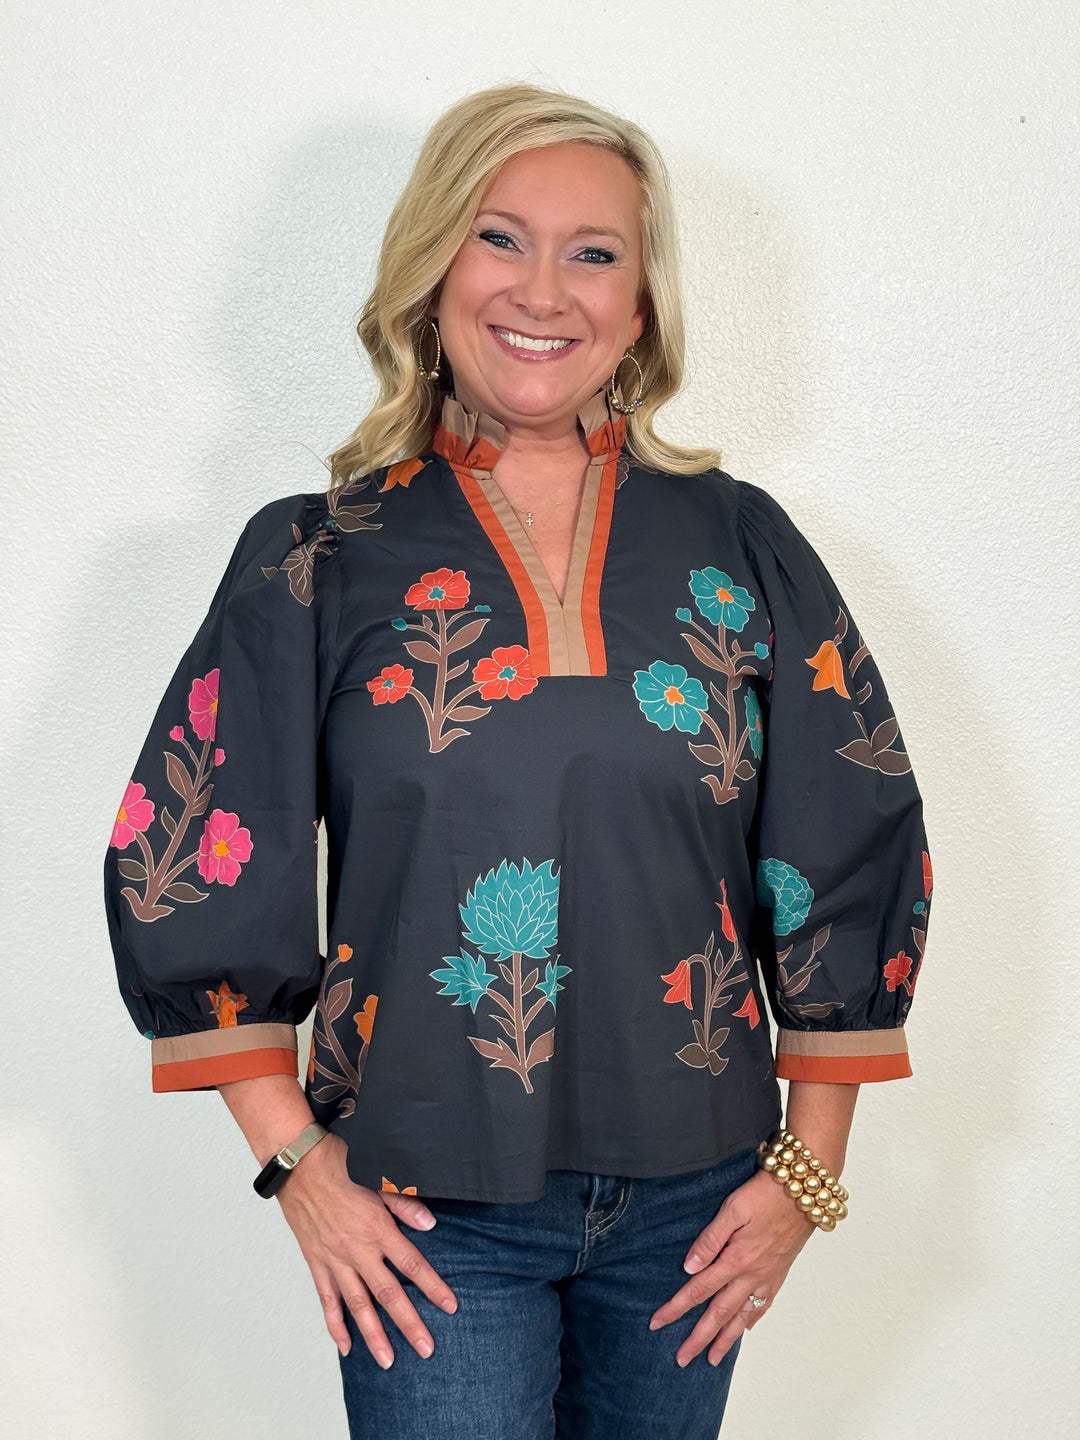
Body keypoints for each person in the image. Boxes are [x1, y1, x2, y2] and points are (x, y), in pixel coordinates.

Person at [104, 84, 931, 1439]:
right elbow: (189, 861)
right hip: (428, 1213)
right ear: (432, 270)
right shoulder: (315, 554)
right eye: (501, 238)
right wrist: (298, 1170)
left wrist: (807, 1173)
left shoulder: (742, 543)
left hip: (700, 1204)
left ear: (642, 304)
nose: (546, 289)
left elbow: (849, 839)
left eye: (595, 252)